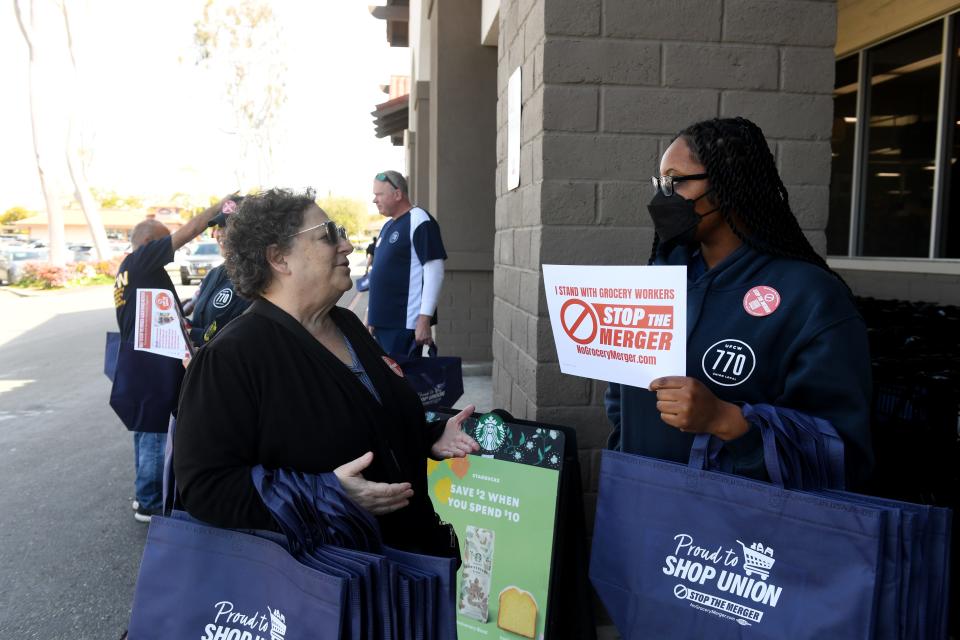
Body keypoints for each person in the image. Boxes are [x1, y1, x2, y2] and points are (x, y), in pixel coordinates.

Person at [173, 188, 479, 554]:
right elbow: (205, 488)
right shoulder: (232, 356)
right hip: (328, 588)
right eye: (328, 235)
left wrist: (430, 436)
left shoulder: (346, 324)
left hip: (408, 568)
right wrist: (325, 496)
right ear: (279, 258)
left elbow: (372, 418)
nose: (347, 246)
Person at [605, 117, 873, 488]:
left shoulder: (809, 297)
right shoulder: (661, 276)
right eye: (660, 182)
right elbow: (621, 398)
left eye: (676, 181)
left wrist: (727, 421)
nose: (663, 197)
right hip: (645, 503)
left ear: (729, 184)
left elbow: (842, 451)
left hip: (740, 527)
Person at [111, 199, 226, 522]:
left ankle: (143, 495)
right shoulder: (142, 259)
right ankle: (150, 502)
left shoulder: (130, 270)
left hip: (139, 363)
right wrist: (219, 208)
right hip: (151, 365)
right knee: (156, 431)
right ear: (149, 243)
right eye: (163, 243)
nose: (169, 251)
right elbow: (188, 232)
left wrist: (183, 310)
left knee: (146, 429)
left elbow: (152, 311)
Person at [367, 170, 447, 355]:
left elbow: (434, 271)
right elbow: (380, 274)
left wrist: (424, 319)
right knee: (385, 381)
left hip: (403, 324)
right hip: (382, 325)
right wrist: (371, 315)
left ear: (397, 194)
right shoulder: (388, 226)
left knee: (401, 381)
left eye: (379, 194)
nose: (374, 200)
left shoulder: (420, 220)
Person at [184, 198, 251, 347]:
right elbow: (200, 322)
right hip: (200, 365)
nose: (220, 233)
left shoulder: (254, 276)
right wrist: (181, 324)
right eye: (218, 226)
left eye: (227, 226)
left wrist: (189, 332)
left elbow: (229, 334)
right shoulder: (213, 274)